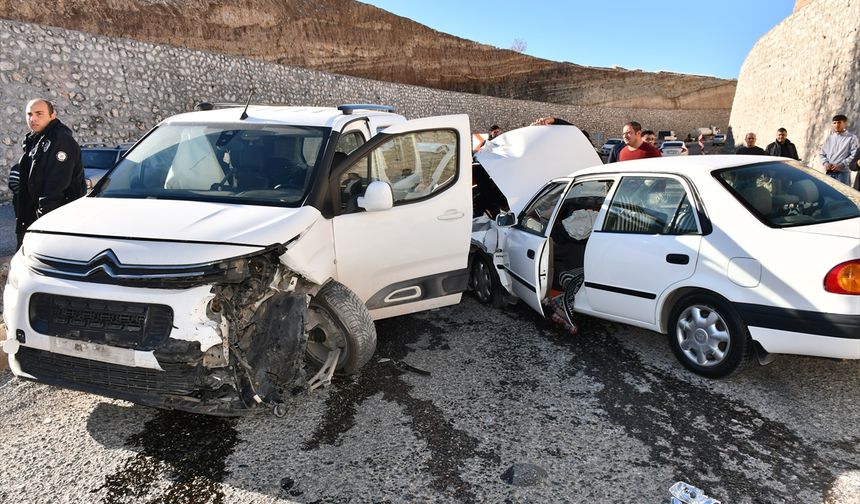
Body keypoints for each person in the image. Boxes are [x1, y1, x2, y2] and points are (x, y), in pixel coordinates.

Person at [12, 99, 85, 250]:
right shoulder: (34, 140)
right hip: (31, 220)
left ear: (52, 115)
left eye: (39, 114)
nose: (33, 118)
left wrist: (42, 226)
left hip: (54, 225)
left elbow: (55, 189)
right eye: (29, 114)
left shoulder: (60, 140)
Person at [819, 114, 859, 185]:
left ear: (845, 123)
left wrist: (842, 165)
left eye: (839, 122)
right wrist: (826, 163)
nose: (837, 125)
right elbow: (822, 154)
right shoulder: (829, 138)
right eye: (834, 123)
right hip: (829, 173)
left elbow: (854, 155)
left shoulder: (851, 138)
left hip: (843, 174)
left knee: (843, 192)